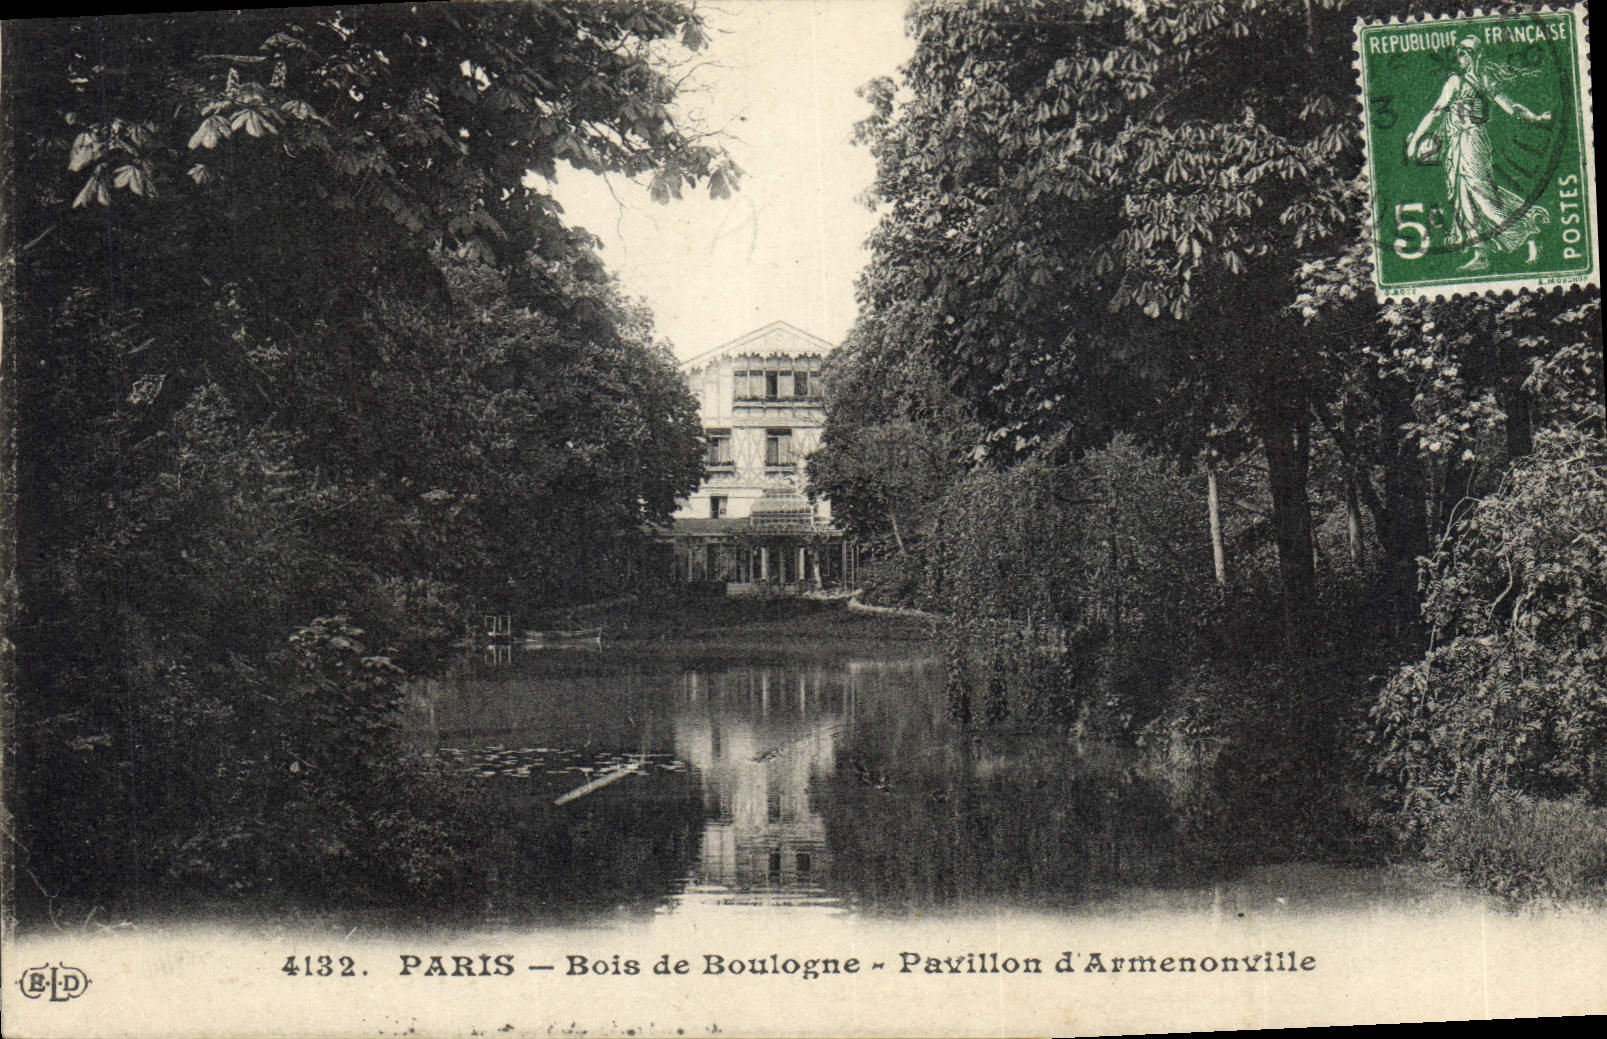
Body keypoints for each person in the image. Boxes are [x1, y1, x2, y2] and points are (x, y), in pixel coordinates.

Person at [1405, 37, 1553, 272]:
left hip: (1474, 140)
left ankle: (1529, 234)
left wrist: (1536, 118)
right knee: (1461, 197)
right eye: (1459, 52)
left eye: (1466, 52)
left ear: (1476, 54)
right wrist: (1414, 141)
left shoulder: (1484, 79)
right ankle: (1480, 253)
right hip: (1455, 144)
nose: (1461, 56)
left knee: (1482, 194)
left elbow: (1510, 107)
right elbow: (1435, 112)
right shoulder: (1454, 81)